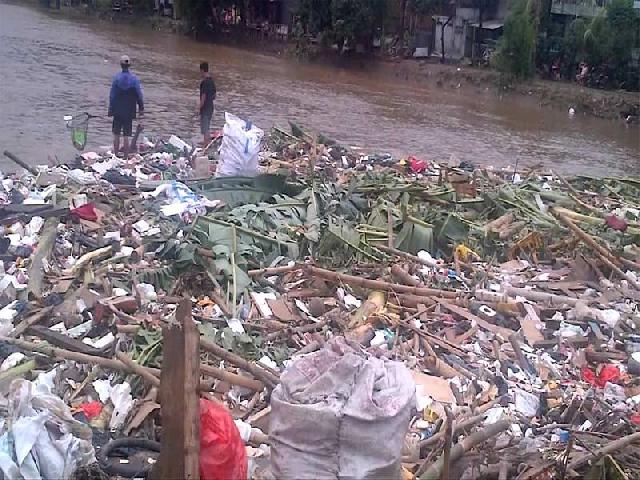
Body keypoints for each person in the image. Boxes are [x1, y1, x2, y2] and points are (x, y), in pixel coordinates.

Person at [108, 55, 144, 157]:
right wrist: (141, 109)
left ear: (121, 65)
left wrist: (110, 110)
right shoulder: (134, 80)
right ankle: (125, 157)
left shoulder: (117, 79)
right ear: (129, 65)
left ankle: (115, 155)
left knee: (116, 134)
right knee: (126, 135)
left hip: (117, 110)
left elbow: (112, 96)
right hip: (129, 111)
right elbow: (139, 96)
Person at [198, 62, 216, 145]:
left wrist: (199, 107)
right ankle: (206, 142)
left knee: (205, 128)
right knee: (207, 126)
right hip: (211, 107)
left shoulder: (204, 82)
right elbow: (214, 96)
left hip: (205, 108)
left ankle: (206, 145)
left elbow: (203, 96)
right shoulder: (212, 81)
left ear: (202, 70)